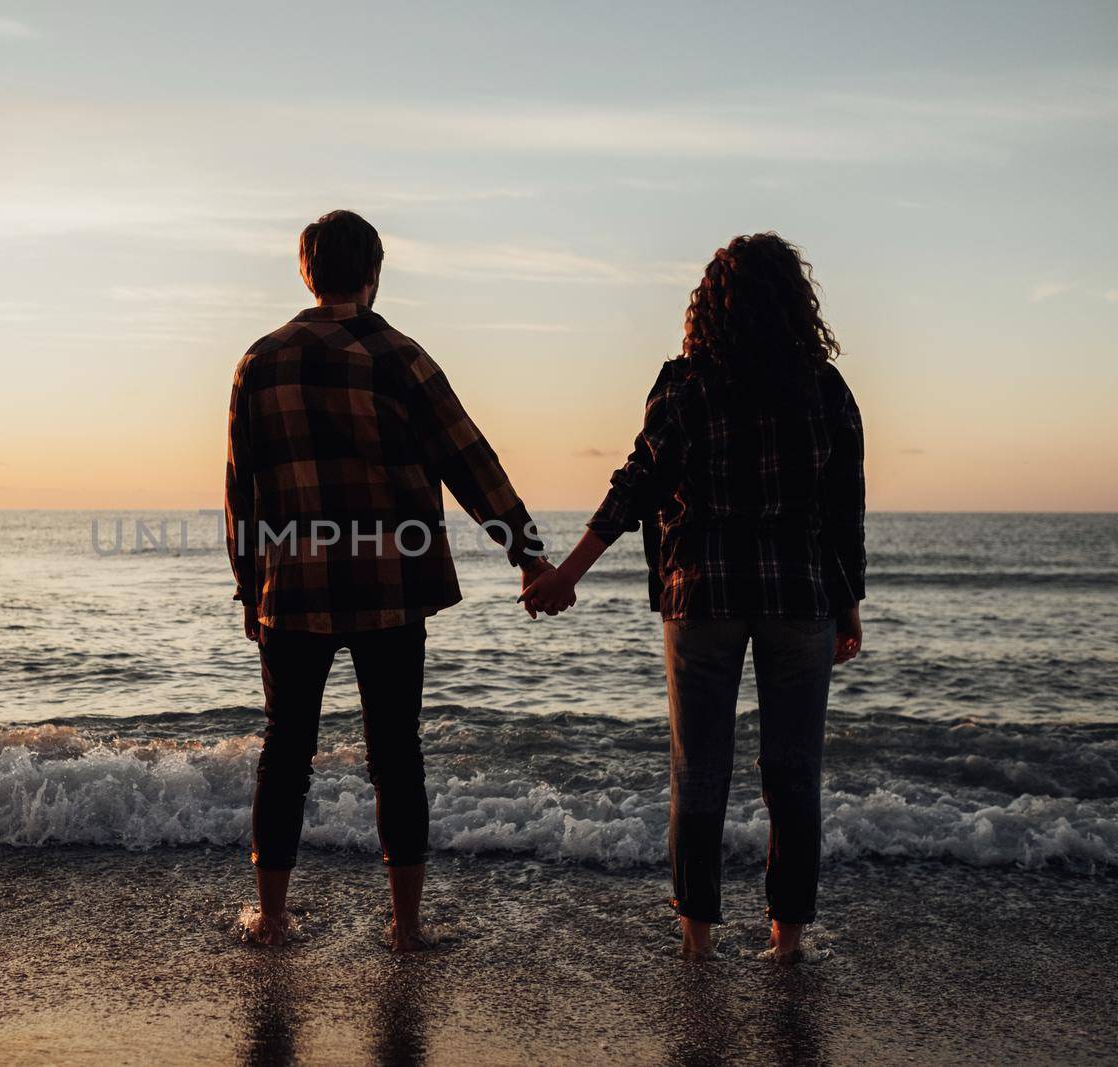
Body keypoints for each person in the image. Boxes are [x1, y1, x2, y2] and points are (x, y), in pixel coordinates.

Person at [521, 232, 866, 963]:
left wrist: (568, 573)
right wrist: (849, 604)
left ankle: (698, 938)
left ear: (709, 304)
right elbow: (844, 512)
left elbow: (635, 483)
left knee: (699, 769)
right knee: (794, 772)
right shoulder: (826, 389)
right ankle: (787, 939)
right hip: (799, 596)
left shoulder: (685, 384)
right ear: (797, 304)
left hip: (700, 595)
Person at [226, 209, 560, 951]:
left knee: (286, 751)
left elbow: (240, 491)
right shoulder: (399, 355)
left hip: (293, 586)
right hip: (388, 585)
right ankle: (405, 927)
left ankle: (272, 917)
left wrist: (251, 588)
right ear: (373, 273)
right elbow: (470, 460)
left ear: (307, 273)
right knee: (396, 752)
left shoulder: (259, 361)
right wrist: (528, 554)